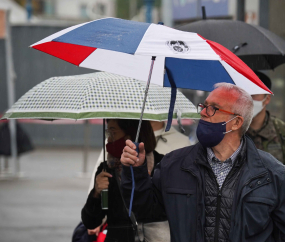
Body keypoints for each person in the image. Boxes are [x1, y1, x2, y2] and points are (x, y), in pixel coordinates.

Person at [121, 83, 285, 242]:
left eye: (213, 108)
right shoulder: (174, 164)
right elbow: (145, 211)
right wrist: (135, 170)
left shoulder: (272, 175)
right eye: (204, 106)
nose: (204, 113)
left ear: (236, 122)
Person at [81, 119, 168, 242]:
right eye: (108, 133)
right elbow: (90, 222)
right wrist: (96, 193)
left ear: (130, 135)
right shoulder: (107, 169)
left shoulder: (162, 165)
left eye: (113, 133)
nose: (109, 140)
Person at [246, 71, 285, 163]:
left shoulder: (280, 130)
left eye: (254, 94)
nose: (249, 98)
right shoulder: (233, 128)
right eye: (246, 94)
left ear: (267, 99)